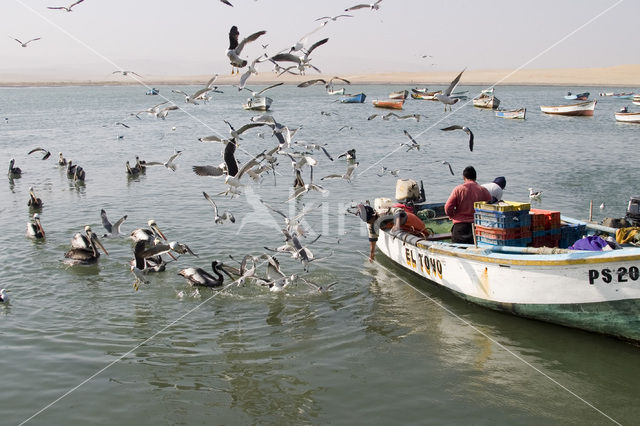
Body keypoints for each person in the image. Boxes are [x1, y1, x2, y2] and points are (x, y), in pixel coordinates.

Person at [358, 204, 429, 261]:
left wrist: (397, 225)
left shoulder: (384, 213)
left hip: (409, 220)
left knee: (425, 234)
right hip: (404, 228)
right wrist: (372, 254)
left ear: (373, 215)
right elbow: (372, 238)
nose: (369, 223)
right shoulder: (371, 223)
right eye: (367, 222)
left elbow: (399, 212)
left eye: (370, 220)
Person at [445, 166, 491, 244]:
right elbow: (490, 206)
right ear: (475, 177)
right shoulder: (483, 190)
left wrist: (452, 215)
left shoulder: (459, 189)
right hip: (478, 227)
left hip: (460, 227)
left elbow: (448, 207)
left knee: (458, 251)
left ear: (464, 177)